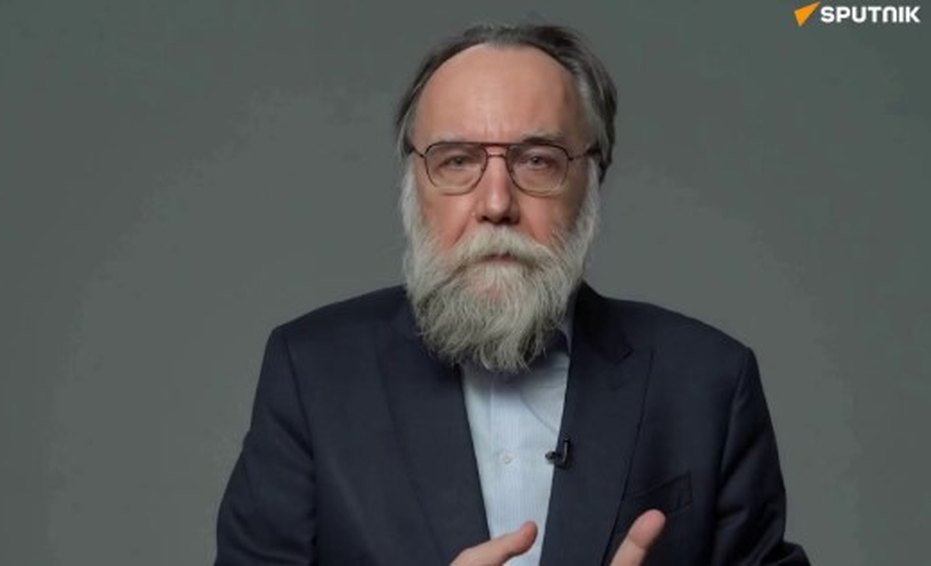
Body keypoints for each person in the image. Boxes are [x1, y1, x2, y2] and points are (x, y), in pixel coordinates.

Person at [215, 23, 810, 565]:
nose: (497, 203)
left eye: (537, 161)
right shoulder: (312, 372)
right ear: (414, 184)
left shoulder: (708, 380)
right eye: (456, 161)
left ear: (592, 178)